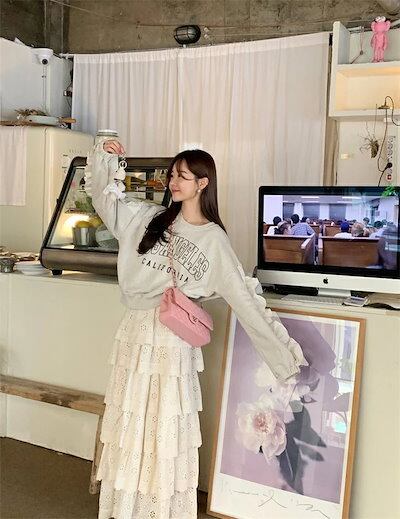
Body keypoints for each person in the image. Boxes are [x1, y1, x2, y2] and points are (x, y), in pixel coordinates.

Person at [85, 140, 306, 519]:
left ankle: (157, 510)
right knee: (133, 419)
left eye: (183, 176)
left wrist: (284, 359)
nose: (174, 182)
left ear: (203, 183)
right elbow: (104, 200)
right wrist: (105, 154)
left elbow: (246, 301)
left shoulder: (214, 240)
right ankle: (127, 508)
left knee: (163, 425)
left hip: (171, 340)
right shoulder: (148, 218)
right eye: (172, 174)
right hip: (135, 333)